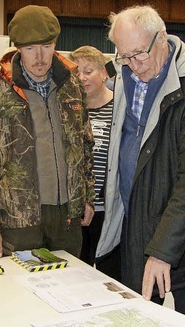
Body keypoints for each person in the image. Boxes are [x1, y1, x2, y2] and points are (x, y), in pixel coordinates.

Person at [96, 5, 185, 327]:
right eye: (125, 56)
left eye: (139, 54)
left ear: (161, 38)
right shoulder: (125, 78)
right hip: (131, 224)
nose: (134, 66)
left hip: (180, 237)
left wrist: (163, 251)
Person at [0, 5, 95, 259]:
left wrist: (86, 197)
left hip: (67, 219)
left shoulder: (73, 87)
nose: (39, 57)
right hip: (17, 219)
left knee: (69, 291)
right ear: (17, 48)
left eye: (46, 47)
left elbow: (85, 144)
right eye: (30, 48)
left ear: (55, 44)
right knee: (19, 294)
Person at [68, 46, 119, 280]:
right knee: (80, 277)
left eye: (88, 71)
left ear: (104, 73)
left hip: (110, 211)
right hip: (78, 211)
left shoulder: (121, 109)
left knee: (112, 278)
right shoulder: (69, 110)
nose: (82, 78)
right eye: (77, 72)